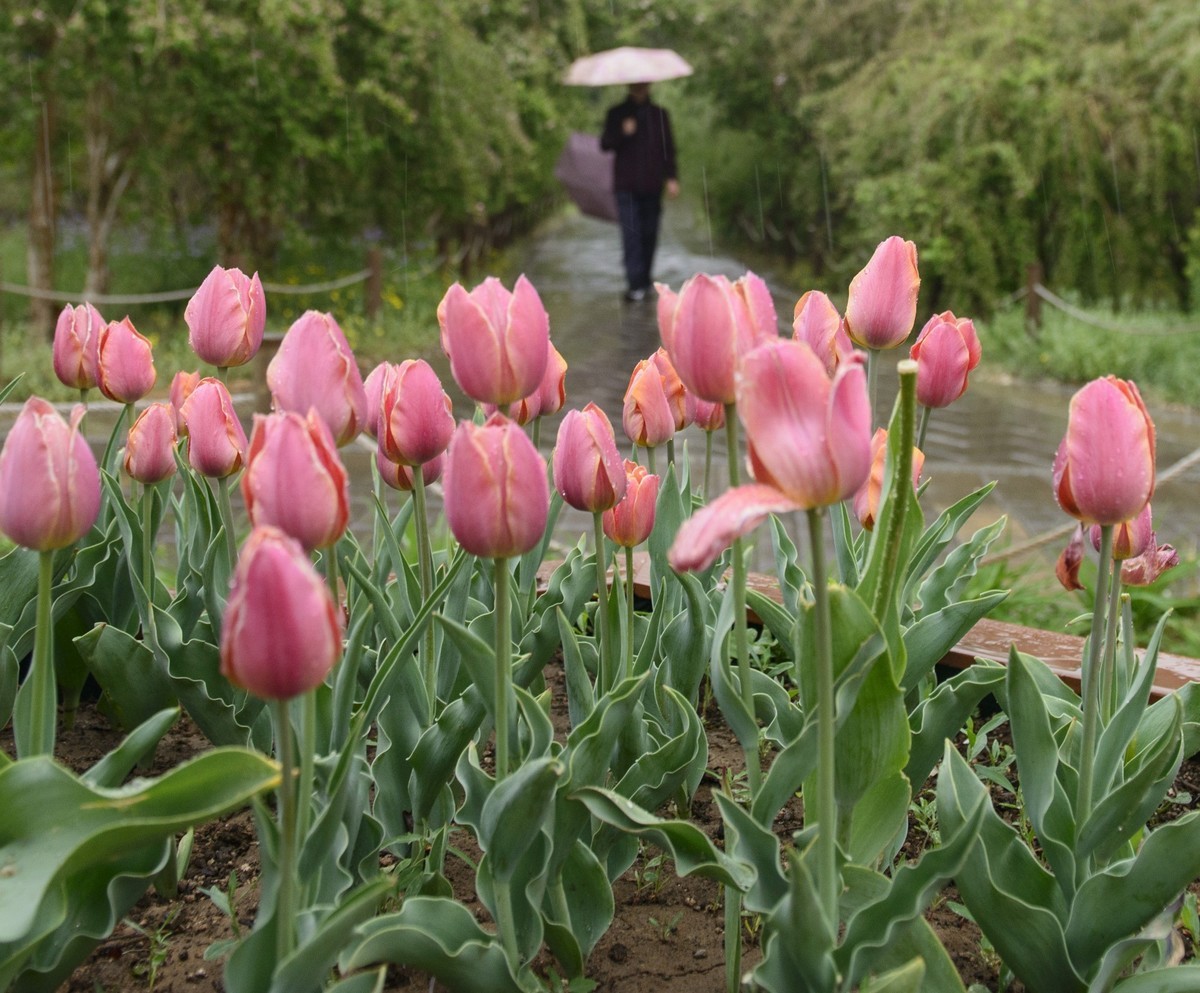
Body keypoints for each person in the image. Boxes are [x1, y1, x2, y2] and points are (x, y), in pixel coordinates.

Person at [601, 82, 679, 302]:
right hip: (626, 186)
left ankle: (645, 280)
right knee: (631, 234)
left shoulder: (659, 115)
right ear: (629, 87)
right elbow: (605, 144)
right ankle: (634, 284)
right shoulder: (616, 114)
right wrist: (622, 133)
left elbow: (668, 149)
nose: (640, 89)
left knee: (649, 233)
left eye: (643, 86)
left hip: (652, 185)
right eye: (636, 86)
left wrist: (671, 177)